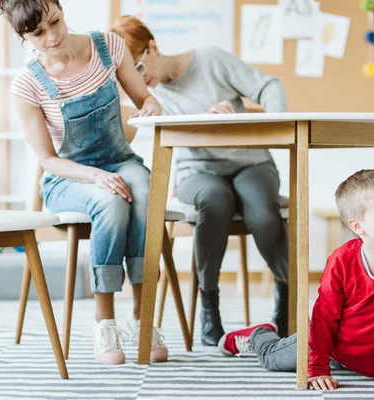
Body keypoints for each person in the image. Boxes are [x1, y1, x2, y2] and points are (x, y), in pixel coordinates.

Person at [0, 0, 166, 365]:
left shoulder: (108, 46)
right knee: (111, 200)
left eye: (54, 22)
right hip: (67, 177)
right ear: (22, 36)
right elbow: (48, 160)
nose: (52, 37)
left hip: (120, 161)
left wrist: (151, 106)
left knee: (144, 191)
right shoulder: (27, 84)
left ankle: (141, 317)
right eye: (37, 33)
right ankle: (104, 321)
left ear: (60, 9)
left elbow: (144, 97)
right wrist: (96, 176)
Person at [110, 15, 290, 346]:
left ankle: (286, 297)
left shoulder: (209, 59)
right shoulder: (149, 97)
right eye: (127, 75)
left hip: (250, 161)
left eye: (137, 66)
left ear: (152, 47)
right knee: (214, 200)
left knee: (262, 209)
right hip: (197, 171)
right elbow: (136, 132)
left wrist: (271, 127)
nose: (139, 78)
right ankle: (210, 307)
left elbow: (269, 86)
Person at [218, 170, 374, 395]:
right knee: (272, 359)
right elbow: (324, 317)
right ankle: (259, 334)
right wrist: (317, 367)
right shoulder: (341, 261)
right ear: (357, 226)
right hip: (333, 347)